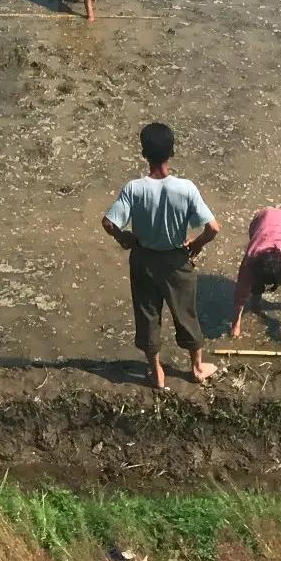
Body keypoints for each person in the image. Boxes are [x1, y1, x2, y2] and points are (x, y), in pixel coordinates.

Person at [101, 122, 221, 390]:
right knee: (186, 314)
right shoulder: (186, 188)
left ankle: (156, 373)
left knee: (147, 315)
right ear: (172, 152)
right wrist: (197, 245)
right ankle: (197, 368)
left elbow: (108, 223)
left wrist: (125, 238)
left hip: (143, 259)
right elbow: (213, 228)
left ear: (144, 154)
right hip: (177, 260)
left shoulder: (134, 188)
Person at [228, 206, 281, 337]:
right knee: (252, 284)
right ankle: (255, 303)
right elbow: (240, 296)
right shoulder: (250, 262)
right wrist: (235, 325)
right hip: (261, 219)